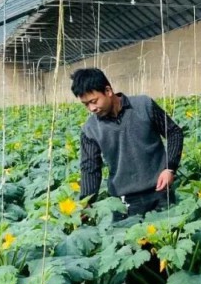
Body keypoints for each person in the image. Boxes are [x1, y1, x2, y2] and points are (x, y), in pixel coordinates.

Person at [71, 68, 183, 218]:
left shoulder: (144, 105)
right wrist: (86, 201)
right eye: (86, 104)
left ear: (108, 90)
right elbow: (90, 168)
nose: (92, 108)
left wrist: (170, 168)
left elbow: (174, 132)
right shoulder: (90, 130)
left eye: (94, 101)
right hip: (123, 201)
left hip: (160, 191)